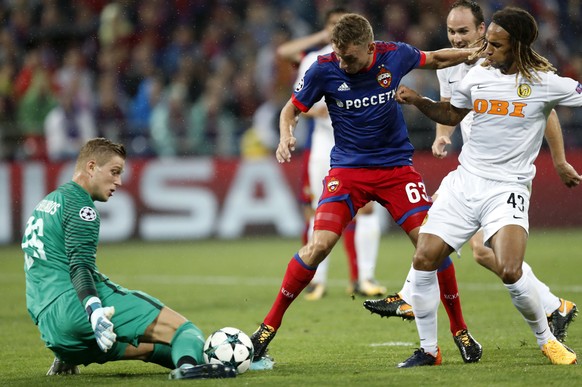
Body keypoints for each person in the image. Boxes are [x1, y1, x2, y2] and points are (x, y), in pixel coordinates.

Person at [250, 13, 484, 366]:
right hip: (348, 172)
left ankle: (461, 331)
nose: (344, 63)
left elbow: (435, 57)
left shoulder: (395, 55)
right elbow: (290, 109)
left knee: (432, 247)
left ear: (370, 47)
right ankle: (267, 329)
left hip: (396, 171)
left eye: (351, 57)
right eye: (339, 56)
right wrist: (286, 134)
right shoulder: (323, 69)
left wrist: (468, 54)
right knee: (318, 246)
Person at [364, 0, 578, 343]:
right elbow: (451, 112)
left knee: (484, 252)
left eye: (464, 31)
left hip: (506, 175)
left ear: (482, 30)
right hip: (472, 169)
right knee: (475, 250)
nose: (457, 38)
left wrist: (559, 160)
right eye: (451, 31)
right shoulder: (455, 66)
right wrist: (441, 137)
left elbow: (545, 110)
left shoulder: (529, 77)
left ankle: (550, 310)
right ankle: (554, 306)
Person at [22, 138, 236, 380]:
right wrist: (93, 310)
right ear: (91, 167)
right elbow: (79, 266)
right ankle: (188, 371)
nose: (119, 181)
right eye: (114, 172)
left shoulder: (47, 203)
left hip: (52, 330)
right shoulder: (83, 209)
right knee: (185, 331)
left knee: (152, 348)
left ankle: (217, 360)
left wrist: (64, 347)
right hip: (78, 309)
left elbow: (43, 270)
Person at [277, 7, 386, 300]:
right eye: (335, 25)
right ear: (327, 29)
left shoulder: (368, 57)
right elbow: (298, 102)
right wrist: (317, 110)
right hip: (326, 144)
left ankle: (365, 278)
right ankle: (317, 281)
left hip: (361, 144)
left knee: (367, 208)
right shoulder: (314, 60)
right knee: (317, 209)